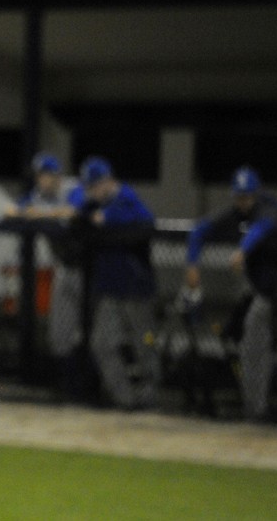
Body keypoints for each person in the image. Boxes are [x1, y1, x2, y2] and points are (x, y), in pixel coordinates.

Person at [185, 166, 277, 422]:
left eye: (247, 196)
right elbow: (199, 231)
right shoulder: (236, 214)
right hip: (266, 293)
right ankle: (255, 410)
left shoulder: (270, 209)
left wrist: (242, 250)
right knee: (252, 347)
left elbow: (262, 228)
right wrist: (192, 264)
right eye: (239, 196)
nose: (243, 201)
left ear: (256, 193)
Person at [72, 156, 160, 410]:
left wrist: (108, 220)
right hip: (109, 289)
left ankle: (149, 399)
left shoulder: (126, 198)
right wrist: (95, 219)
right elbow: (79, 216)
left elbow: (146, 223)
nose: (91, 192)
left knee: (144, 343)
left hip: (136, 289)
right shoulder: (93, 206)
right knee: (102, 343)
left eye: (94, 186)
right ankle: (126, 399)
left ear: (108, 181)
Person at [7, 152, 89, 400]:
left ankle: (89, 388)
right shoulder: (38, 196)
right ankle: (68, 387)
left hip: (90, 270)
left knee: (90, 331)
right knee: (60, 332)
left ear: (56, 175)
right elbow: (12, 211)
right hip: (64, 267)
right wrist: (36, 212)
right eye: (39, 176)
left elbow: (74, 212)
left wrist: (39, 213)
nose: (42, 180)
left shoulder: (72, 188)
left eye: (46, 175)